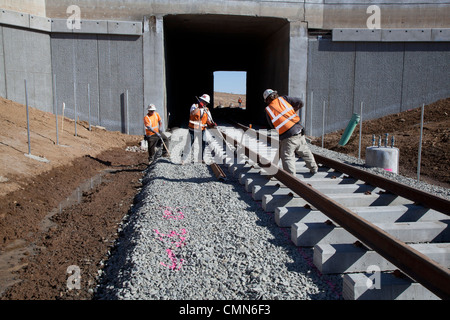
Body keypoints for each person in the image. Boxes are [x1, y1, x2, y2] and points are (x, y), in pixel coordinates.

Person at [263, 89, 318, 175]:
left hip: (288, 135)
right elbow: (300, 102)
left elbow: (272, 125)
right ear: (275, 94)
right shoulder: (284, 99)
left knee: (287, 156)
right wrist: (293, 111)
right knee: (304, 150)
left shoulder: (268, 109)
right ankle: (314, 168)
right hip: (299, 129)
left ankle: (291, 179)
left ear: (267, 100)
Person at [188, 94, 216, 162]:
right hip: (193, 130)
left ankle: (200, 158)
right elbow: (192, 113)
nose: (204, 103)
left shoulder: (206, 110)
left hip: (202, 130)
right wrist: (199, 108)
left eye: (206, 102)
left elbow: (208, 121)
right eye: (203, 101)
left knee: (203, 144)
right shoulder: (194, 106)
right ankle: (183, 158)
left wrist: (212, 124)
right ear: (200, 100)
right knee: (189, 144)